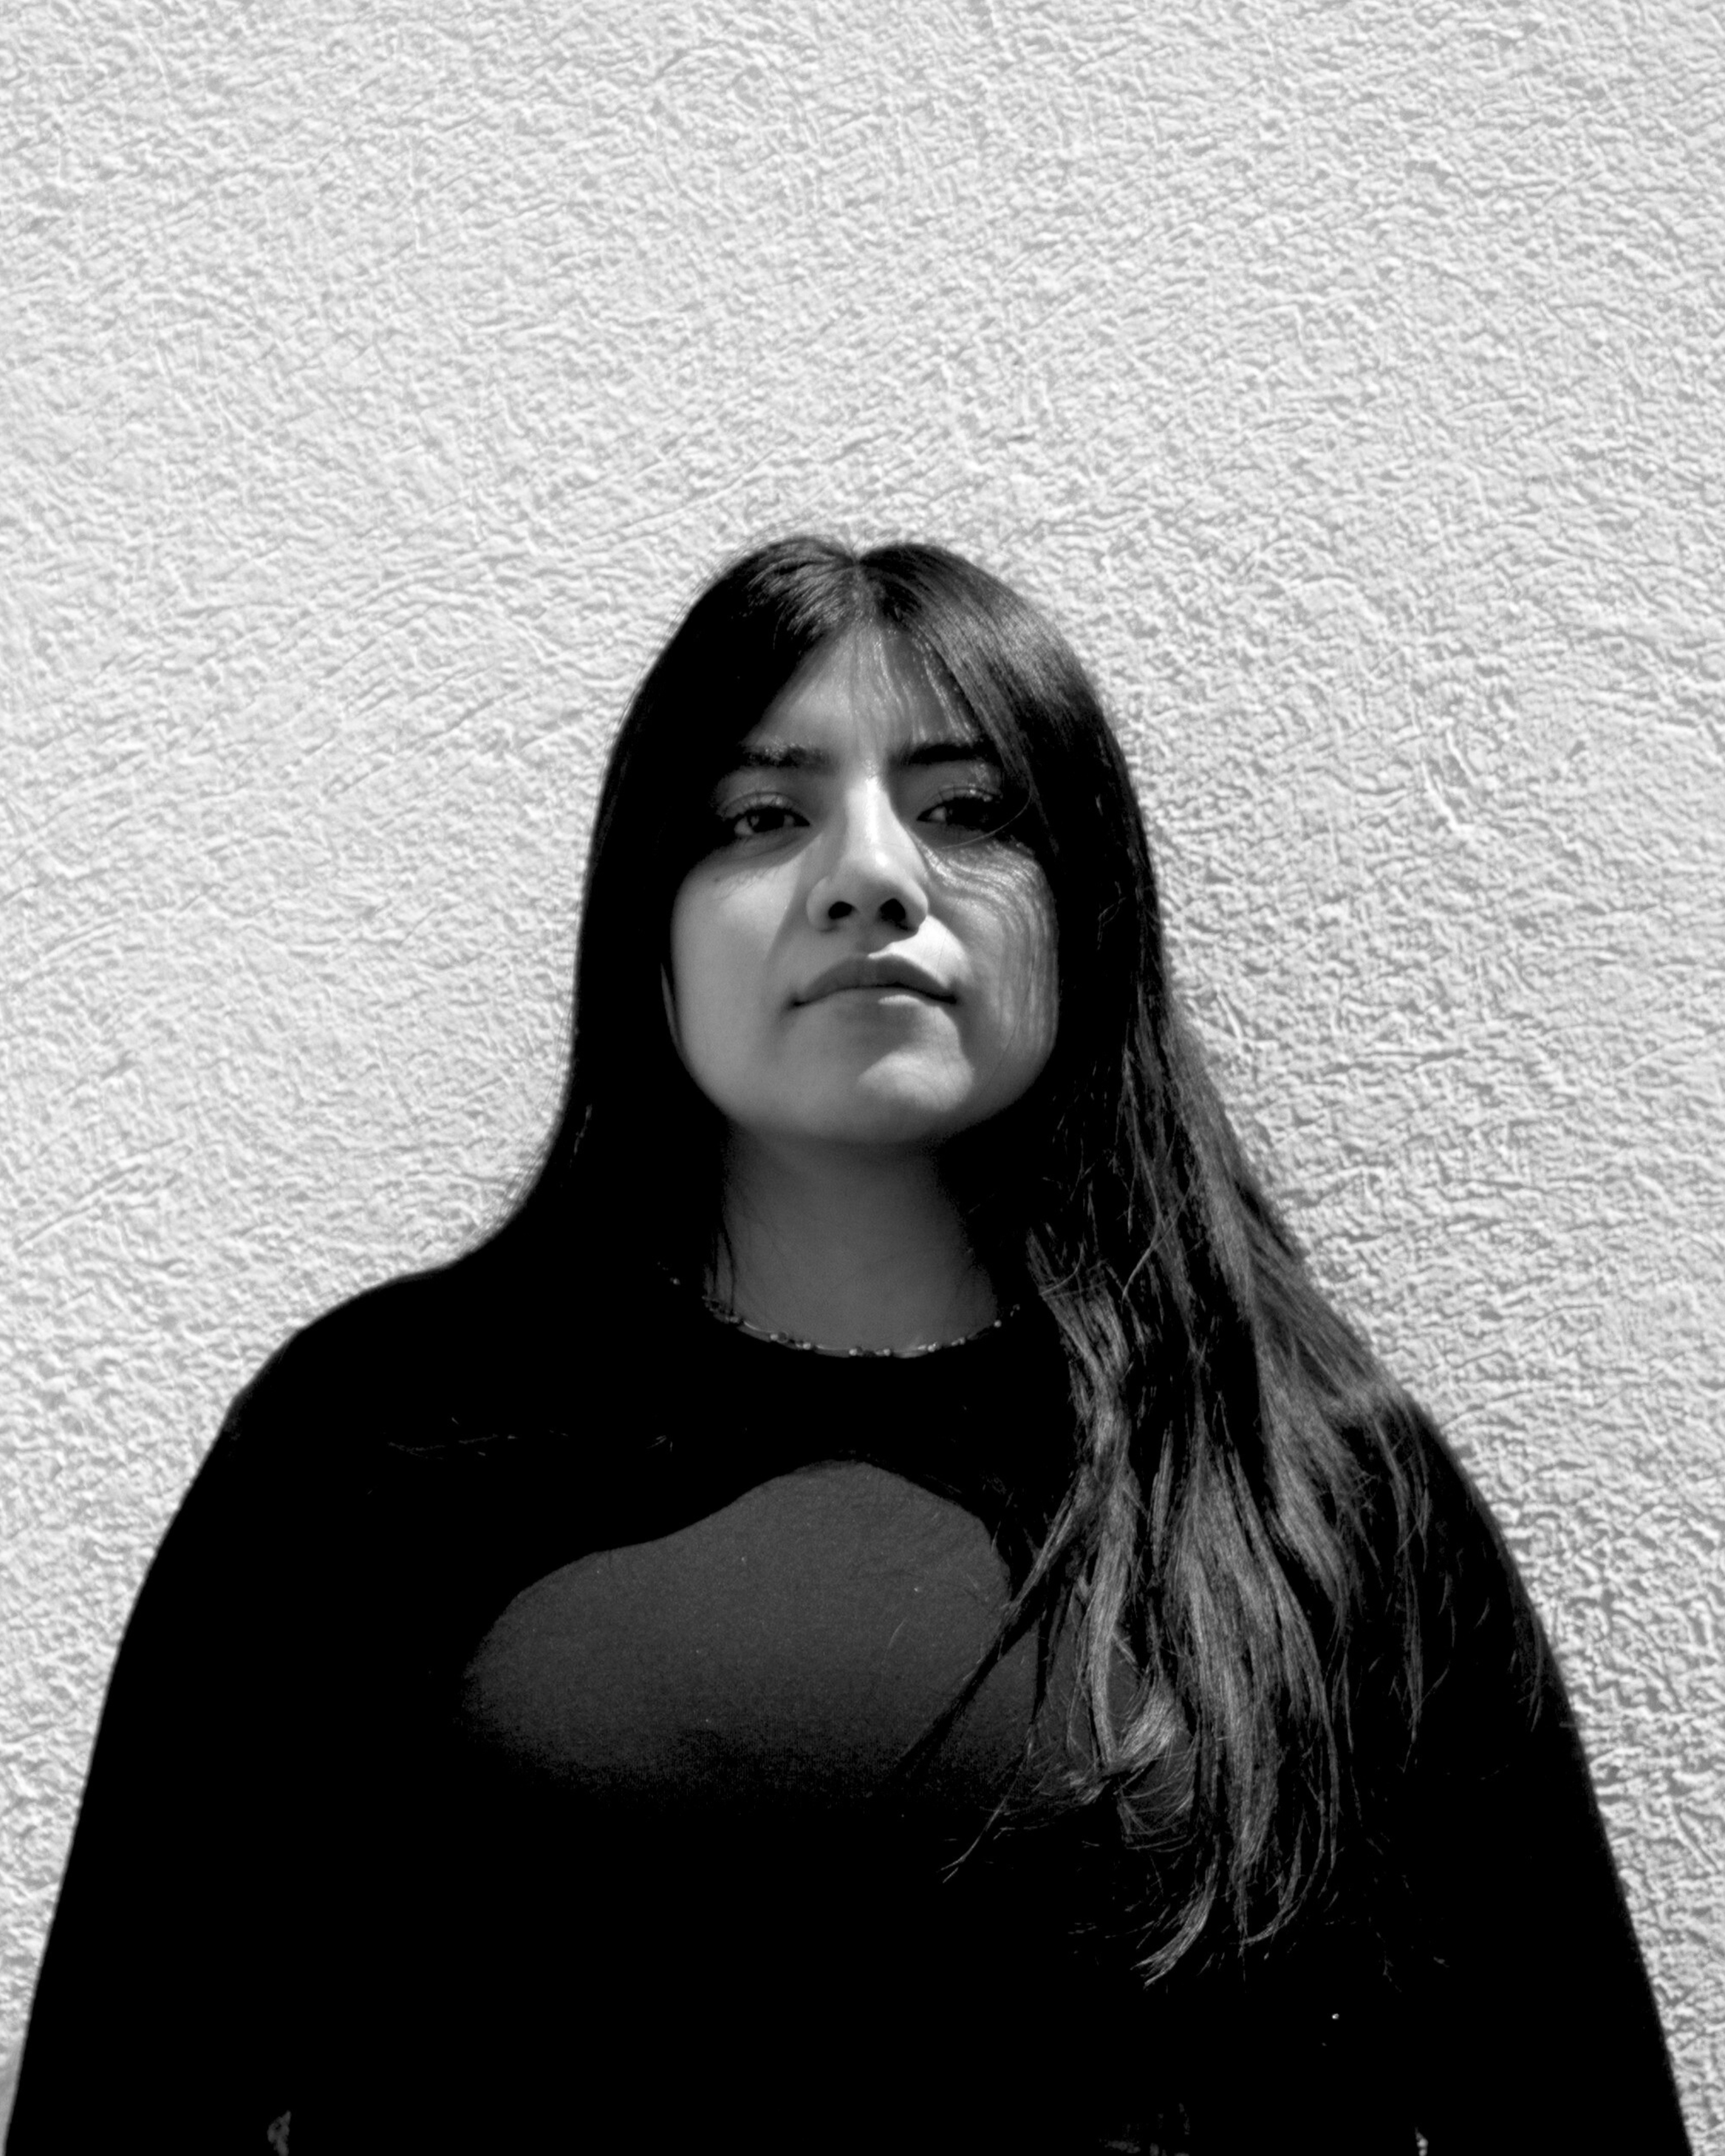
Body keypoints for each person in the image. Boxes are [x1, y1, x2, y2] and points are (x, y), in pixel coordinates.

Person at [8, 538, 1691, 2154]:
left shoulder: (1307, 1476)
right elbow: (123, 2099)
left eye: (968, 810)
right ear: (646, 929)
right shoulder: (376, 1441)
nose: (871, 873)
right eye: (764, 814)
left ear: (1090, 911)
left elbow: (1569, 2110)